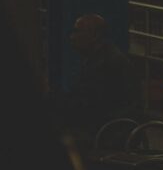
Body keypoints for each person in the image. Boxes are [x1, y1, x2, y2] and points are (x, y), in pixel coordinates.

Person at [55, 13, 141, 146]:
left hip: (109, 132)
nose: (71, 37)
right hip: (110, 126)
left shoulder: (106, 64)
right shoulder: (103, 57)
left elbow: (89, 104)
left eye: (77, 31)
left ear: (95, 35)